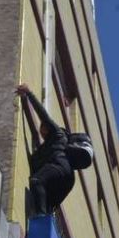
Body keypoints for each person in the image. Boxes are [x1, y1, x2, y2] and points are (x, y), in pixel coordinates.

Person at [16, 84, 75, 216]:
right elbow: (35, 162)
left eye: (42, 128)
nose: (40, 132)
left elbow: (44, 115)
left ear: (46, 128)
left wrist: (28, 94)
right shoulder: (49, 146)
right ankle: (45, 219)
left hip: (60, 167)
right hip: (66, 181)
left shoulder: (58, 134)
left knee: (37, 180)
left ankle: (41, 219)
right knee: (48, 203)